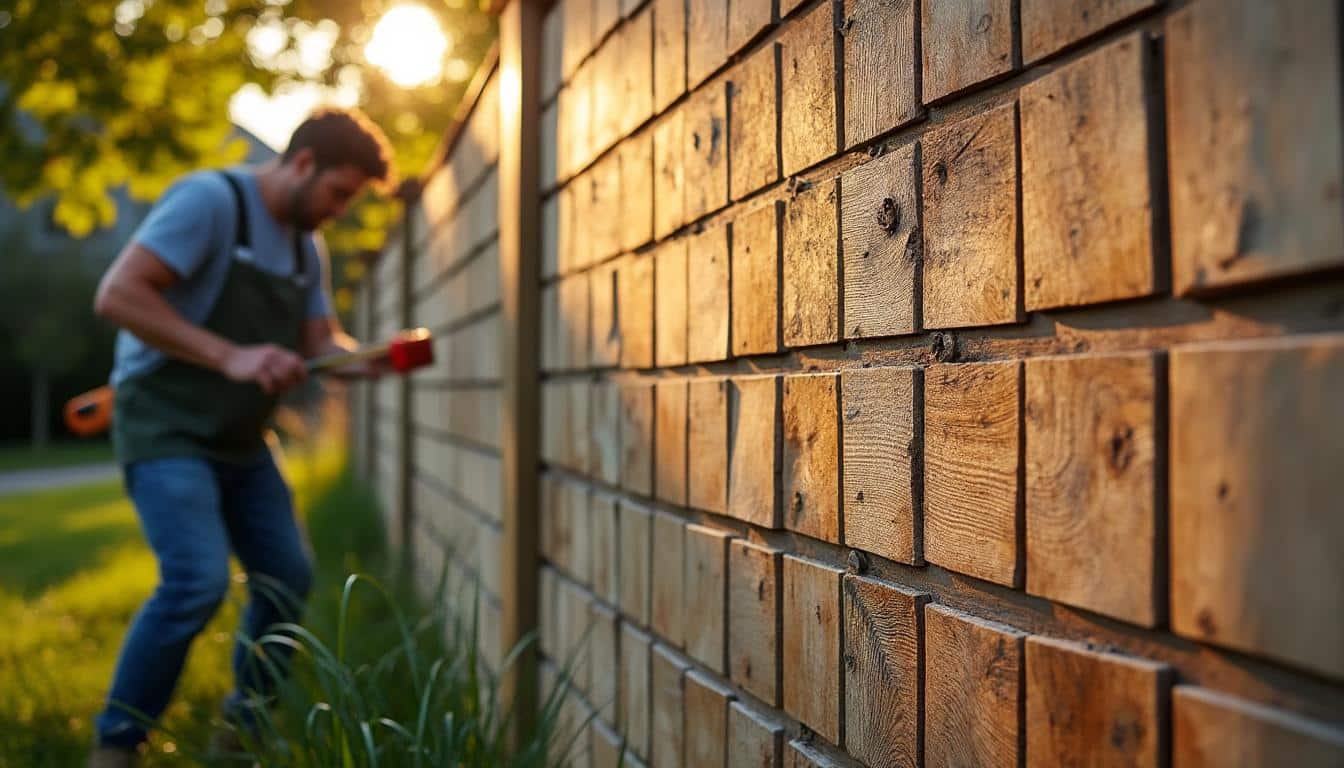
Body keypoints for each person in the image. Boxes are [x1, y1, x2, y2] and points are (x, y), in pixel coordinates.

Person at [86, 107, 394, 767]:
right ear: (303, 162)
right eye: (340, 192)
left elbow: (319, 343)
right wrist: (230, 355)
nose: (340, 210)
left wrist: (360, 360)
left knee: (286, 578)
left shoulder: (305, 246)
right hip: (164, 421)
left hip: (243, 436)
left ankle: (242, 738)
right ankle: (115, 748)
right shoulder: (210, 201)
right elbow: (117, 294)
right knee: (196, 580)